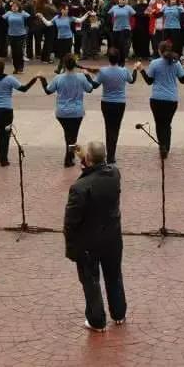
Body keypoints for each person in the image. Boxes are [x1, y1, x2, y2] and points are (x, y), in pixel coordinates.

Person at [64, 141, 126, 333]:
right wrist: (86, 157)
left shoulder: (79, 188)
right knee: (114, 276)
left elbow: (71, 222)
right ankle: (119, 314)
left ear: (88, 160)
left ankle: (97, 321)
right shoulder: (114, 175)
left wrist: (71, 247)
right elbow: (99, 168)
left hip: (89, 243)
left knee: (91, 281)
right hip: (112, 239)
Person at [84, 49, 138, 164]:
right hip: (120, 103)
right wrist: (135, 69)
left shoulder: (103, 71)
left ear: (109, 59)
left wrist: (87, 76)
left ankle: (109, 154)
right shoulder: (124, 71)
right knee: (116, 128)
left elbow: (94, 86)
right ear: (119, 59)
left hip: (106, 103)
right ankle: (111, 155)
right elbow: (132, 81)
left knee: (108, 128)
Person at [40, 53, 94, 167]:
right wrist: (88, 75)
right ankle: (69, 158)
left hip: (62, 112)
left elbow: (48, 91)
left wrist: (43, 79)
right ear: (75, 65)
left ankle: (70, 156)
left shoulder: (58, 78)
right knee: (72, 136)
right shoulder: (81, 77)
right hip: (77, 112)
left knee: (69, 136)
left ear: (64, 65)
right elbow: (90, 89)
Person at [139, 41, 184, 158]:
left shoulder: (154, 63)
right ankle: (167, 146)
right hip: (171, 99)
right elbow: (183, 80)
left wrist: (141, 69)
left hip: (157, 98)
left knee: (159, 123)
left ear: (159, 51)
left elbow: (149, 81)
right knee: (167, 124)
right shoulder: (176, 63)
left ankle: (162, 145)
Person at [37, 5, 89, 74]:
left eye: (67, 9)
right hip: (60, 39)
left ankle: (62, 69)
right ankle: (64, 68)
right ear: (61, 10)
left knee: (66, 55)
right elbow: (48, 24)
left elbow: (80, 20)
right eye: (65, 9)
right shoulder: (56, 18)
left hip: (68, 38)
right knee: (61, 55)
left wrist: (87, 14)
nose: (67, 11)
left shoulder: (70, 18)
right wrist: (42, 17)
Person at [0, 1, 30, 74]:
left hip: (21, 34)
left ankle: (20, 67)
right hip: (11, 34)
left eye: (16, 6)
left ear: (19, 7)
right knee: (14, 52)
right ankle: (15, 68)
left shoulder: (22, 13)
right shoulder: (9, 13)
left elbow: (30, 17)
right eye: (13, 6)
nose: (14, 7)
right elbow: (1, 18)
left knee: (19, 51)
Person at [108, 0, 135, 66]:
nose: (121, 1)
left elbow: (134, 13)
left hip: (125, 28)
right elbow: (110, 13)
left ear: (125, 1)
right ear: (118, 0)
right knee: (115, 45)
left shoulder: (128, 7)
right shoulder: (114, 7)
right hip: (116, 28)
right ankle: (116, 60)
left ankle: (122, 61)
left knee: (122, 45)